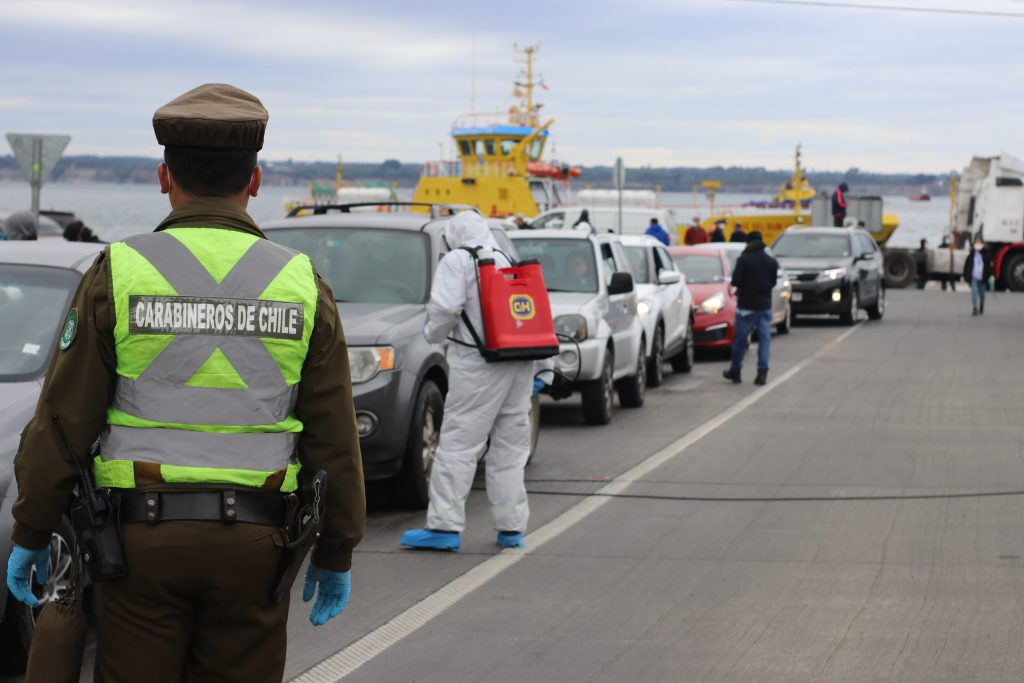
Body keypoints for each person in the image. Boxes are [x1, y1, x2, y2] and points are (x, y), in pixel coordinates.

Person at [5, 84, 366, 681]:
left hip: (142, 545)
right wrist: (338, 549)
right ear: (255, 181)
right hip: (257, 545)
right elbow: (335, 438)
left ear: (163, 176)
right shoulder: (302, 284)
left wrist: (32, 528)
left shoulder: (118, 272)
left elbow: (65, 420)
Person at [401, 211, 534, 552]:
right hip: (518, 363)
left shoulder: (460, 260)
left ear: (454, 236)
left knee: (460, 444)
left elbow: (445, 309)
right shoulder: (506, 258)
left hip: (478, 366)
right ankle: (511, 528)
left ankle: (444, 527)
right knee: (509, 449)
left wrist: (431, 334)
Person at [722, 230, 778, 386]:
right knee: (764, 340)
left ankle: (736, 371)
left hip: (746, 307)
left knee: (740, 341)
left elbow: (735, 282)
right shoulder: (770, 261)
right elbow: (773, 282)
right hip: (765, 306)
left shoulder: (744, 260)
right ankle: (762, 372)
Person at [963, 235, 993, 315]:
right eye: (976, 242)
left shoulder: (986, 255)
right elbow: (967, 266)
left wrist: (989, 275)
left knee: (982, 295)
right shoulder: (971, 255)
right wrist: (965, 276)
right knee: (974, 293)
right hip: (974, 277)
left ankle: (981, 305)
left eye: (979, 242)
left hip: (983, 278)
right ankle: (974, 308)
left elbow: (989, 267)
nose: (978, 244)